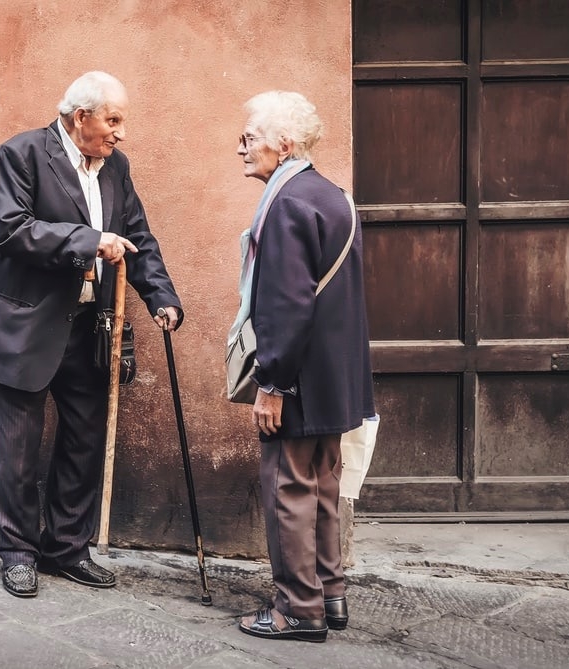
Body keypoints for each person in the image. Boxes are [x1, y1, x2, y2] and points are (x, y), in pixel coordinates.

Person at [0, 71, 183, 598]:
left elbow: (137, 236)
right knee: (16, 451)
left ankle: (66, 547)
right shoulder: (20, 154)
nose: (120, 132)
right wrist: (89, 240)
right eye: (113, 119)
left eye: (121, 121)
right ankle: (18, 552)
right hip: (24, 326)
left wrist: (162, 297)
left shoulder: (117, 168)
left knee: (84, 443)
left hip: (89, 328)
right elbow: (12, 230)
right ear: (80, 116)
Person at [232, 91, 375, 642]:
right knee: (322, 485)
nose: (241, 146)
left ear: (284, 144)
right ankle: (330, 594)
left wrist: (272, 384)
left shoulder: (286, 201)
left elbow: (286, 303)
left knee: (289, 487)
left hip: (297, 379)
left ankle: (297, 609)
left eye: (251, 137)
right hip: (334, 377)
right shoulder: (333, 195)